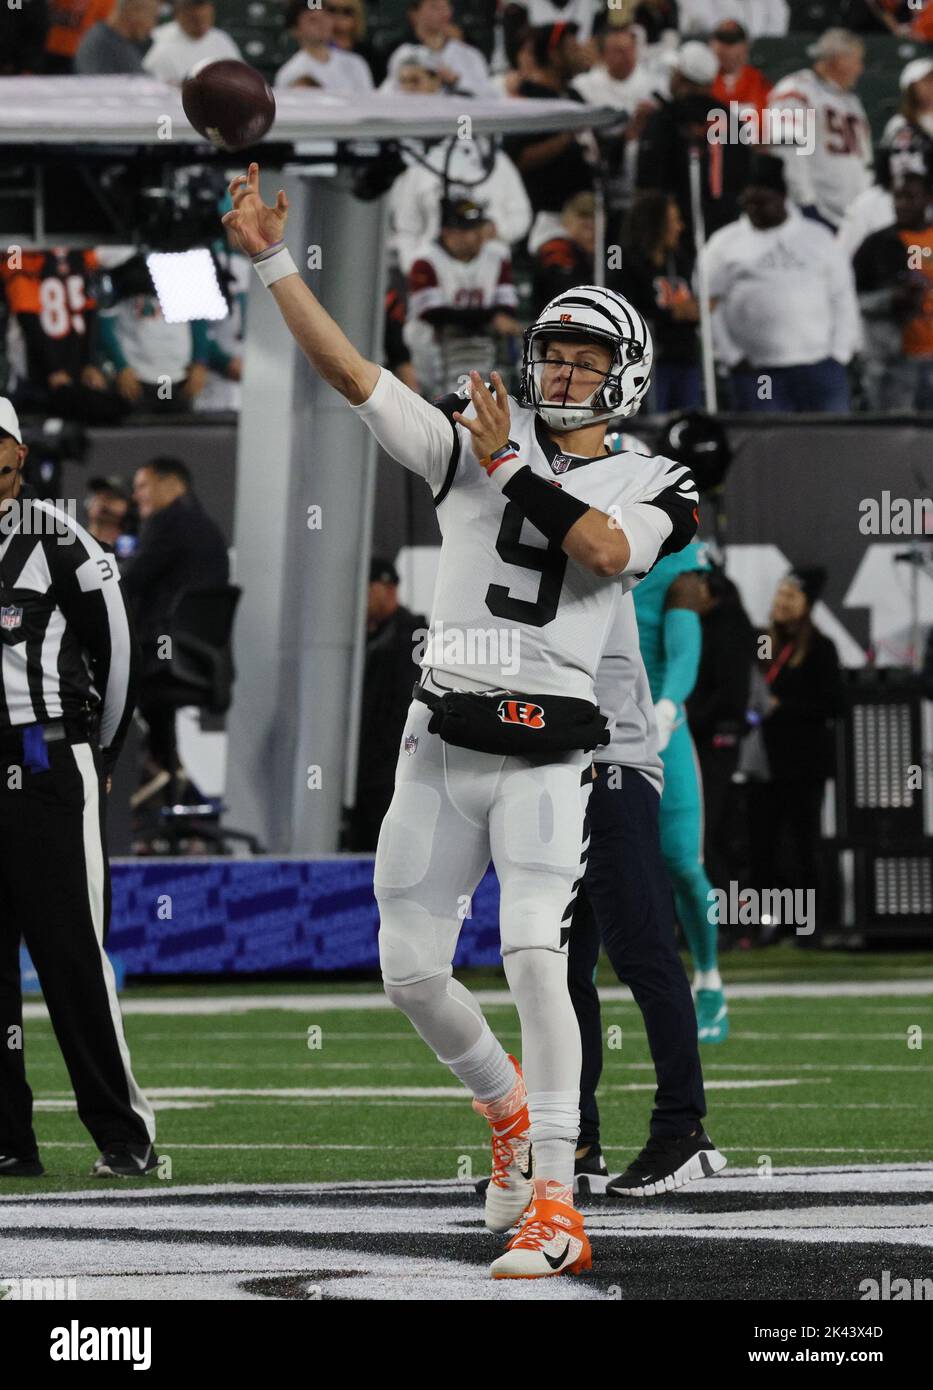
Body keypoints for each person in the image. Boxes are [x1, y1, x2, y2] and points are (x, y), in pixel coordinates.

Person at [222, 161, 697, 1279]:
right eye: (555, 350)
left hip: (552, 746)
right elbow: (351, 375)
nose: (561, 368)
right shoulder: (471, 439)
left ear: (623, 375)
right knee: (409, 971)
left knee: (537, 955)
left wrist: (507, 463)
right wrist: (271, 260)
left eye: (585, 355)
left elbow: (603, 552)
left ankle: (560, 1198)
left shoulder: (655, 478)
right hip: (441, 738)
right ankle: (505, 1114)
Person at [0, 396, 157, 1180]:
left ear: (18, 459)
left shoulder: (62, 543)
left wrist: (97, 755)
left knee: (69, 954)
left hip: (45, 760)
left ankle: (122, 1132)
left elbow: (119, 655)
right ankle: (7, 1138)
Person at [568, 513, 726, 1197]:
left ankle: (681, 1129)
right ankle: (572, 1138)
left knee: (639, 948)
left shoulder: (624, 554)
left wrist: (663, 714)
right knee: (555, 961)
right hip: (558, 771)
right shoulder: (560, 552)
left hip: (617, 761)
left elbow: (672, 655)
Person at [702, 155, 860, 413]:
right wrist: (730, 356)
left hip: (820, 366)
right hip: (758, 371)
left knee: (829, 444)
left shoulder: (818, 238)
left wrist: (840, 353)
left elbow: (842, 298)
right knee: (769, 445)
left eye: (762, 202)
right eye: (748, 203)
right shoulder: (723, 244)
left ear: (782, 198)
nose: (755, 209)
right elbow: (708, 306)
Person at [121, 458, 229, 800]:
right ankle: (169, 778)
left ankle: (145, 782)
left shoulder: (167, 523)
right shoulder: (205, 527)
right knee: (152, 713)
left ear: (173, 485)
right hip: (197, 660)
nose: (136, 496)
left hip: (164, 657)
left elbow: (128, 581)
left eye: (142, 486)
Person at [747, 568, 844, 946]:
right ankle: (764, 925)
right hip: (763, 763)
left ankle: (811, 927)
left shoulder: (820, 648)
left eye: (790, 598)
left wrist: (781, 707)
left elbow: (835, 705)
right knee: (762, 848)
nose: (781, 604)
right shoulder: (763, 643)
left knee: (804, 846)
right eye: (779, 595)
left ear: (805, 606)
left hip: (803, 764)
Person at [636, 40, 751, 256]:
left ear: (680, 78)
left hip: (676, 234)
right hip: (728, 234)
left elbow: (648, 182)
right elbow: (745, 178)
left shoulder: (664, 119)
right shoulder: (734, 121)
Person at [406, 196, 520, 397]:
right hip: (433, 354)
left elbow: (507, 307)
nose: (478, 235)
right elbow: (434, 314)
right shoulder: (424, 259)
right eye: (469, 230)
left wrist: (495, 317)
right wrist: (491, 317)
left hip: (481, 349)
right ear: (448, 233)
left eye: (479, 227)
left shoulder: (496, 255)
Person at [349, 559, 427, 851]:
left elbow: (410, 714)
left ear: (385, 588)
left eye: (366, 589)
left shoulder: (412, 637)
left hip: (391, 774)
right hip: (364, 774)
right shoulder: (363, 638)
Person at [686, 568, 755, 896]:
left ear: (712, 592)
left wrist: (691, 719)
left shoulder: (726, 629)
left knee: (702, 830)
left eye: (698, 588)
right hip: (714, 738)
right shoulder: (720, 625)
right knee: (713, 829)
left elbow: (728, 692)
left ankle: (721, 916)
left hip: (713, 739)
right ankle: (725, 917)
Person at [766, 28, 872, 231]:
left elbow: (864, 158)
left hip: (852, 216)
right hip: (815, 211)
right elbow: (788, 151)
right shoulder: (795, 91)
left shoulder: (851, 101)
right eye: (857, 61)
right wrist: (805, 202)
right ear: (840, 59)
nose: (860, 68)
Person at [614, 190, 701, 412]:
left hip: (685, 357)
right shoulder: (626, 262)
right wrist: (672, 313)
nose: (680, 227)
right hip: (650, 363)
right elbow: (624, 313)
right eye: (674, 221)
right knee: (653, 424)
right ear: (655, 224)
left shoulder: (681, 260)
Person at [854, 170, 933, 412]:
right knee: (896, 441)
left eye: (910, 197)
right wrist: (890, 299)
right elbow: (850, 300)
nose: (902, 204)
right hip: (894, 363)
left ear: (928, 199)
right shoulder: (876, 245)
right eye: (897, 197)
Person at [274, 0, 375, 95]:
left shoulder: (356, 63)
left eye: (325, 17)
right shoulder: (290, 72)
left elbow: (369, 103)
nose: (322, 24)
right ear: (295, 30)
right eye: (313, 20)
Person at [403, 0, 492, 97]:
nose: (444, 12)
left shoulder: (470, 54)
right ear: (414, 14)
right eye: (435, 7)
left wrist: (455, 82)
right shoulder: (402, 52)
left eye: (446, 6)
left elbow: (486, 95)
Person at [142, 0, 241, 84]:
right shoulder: (156, 40)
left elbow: (239, 78)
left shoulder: (222, 40)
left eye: (205, 18)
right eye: (194, 19)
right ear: (178, 15)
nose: (200, 25)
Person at [530, 191, 595, 317]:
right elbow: (565, 292)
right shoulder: (555, 246)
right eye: (584, 221)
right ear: (567, 221)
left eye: (593, 220)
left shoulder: (611, 250)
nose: (590, 230)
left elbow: (616, 278)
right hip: (557, 320)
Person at [74, 0, 160, 74]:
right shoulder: (100, 45)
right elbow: (100, 88)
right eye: (153, 17)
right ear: (133, 11)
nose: (152, 26)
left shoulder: (123, 43)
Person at [710, 18, 772, 120]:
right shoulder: (704, 82)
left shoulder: (759, 81)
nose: (726, 49)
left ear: (745, 46)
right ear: (712, 44)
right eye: (722, 41)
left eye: (731, 42)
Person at [84, 474, 136, 562]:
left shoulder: (131, 545)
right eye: (97, 496)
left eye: (109, 497)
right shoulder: (78, 546)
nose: (100, 501)